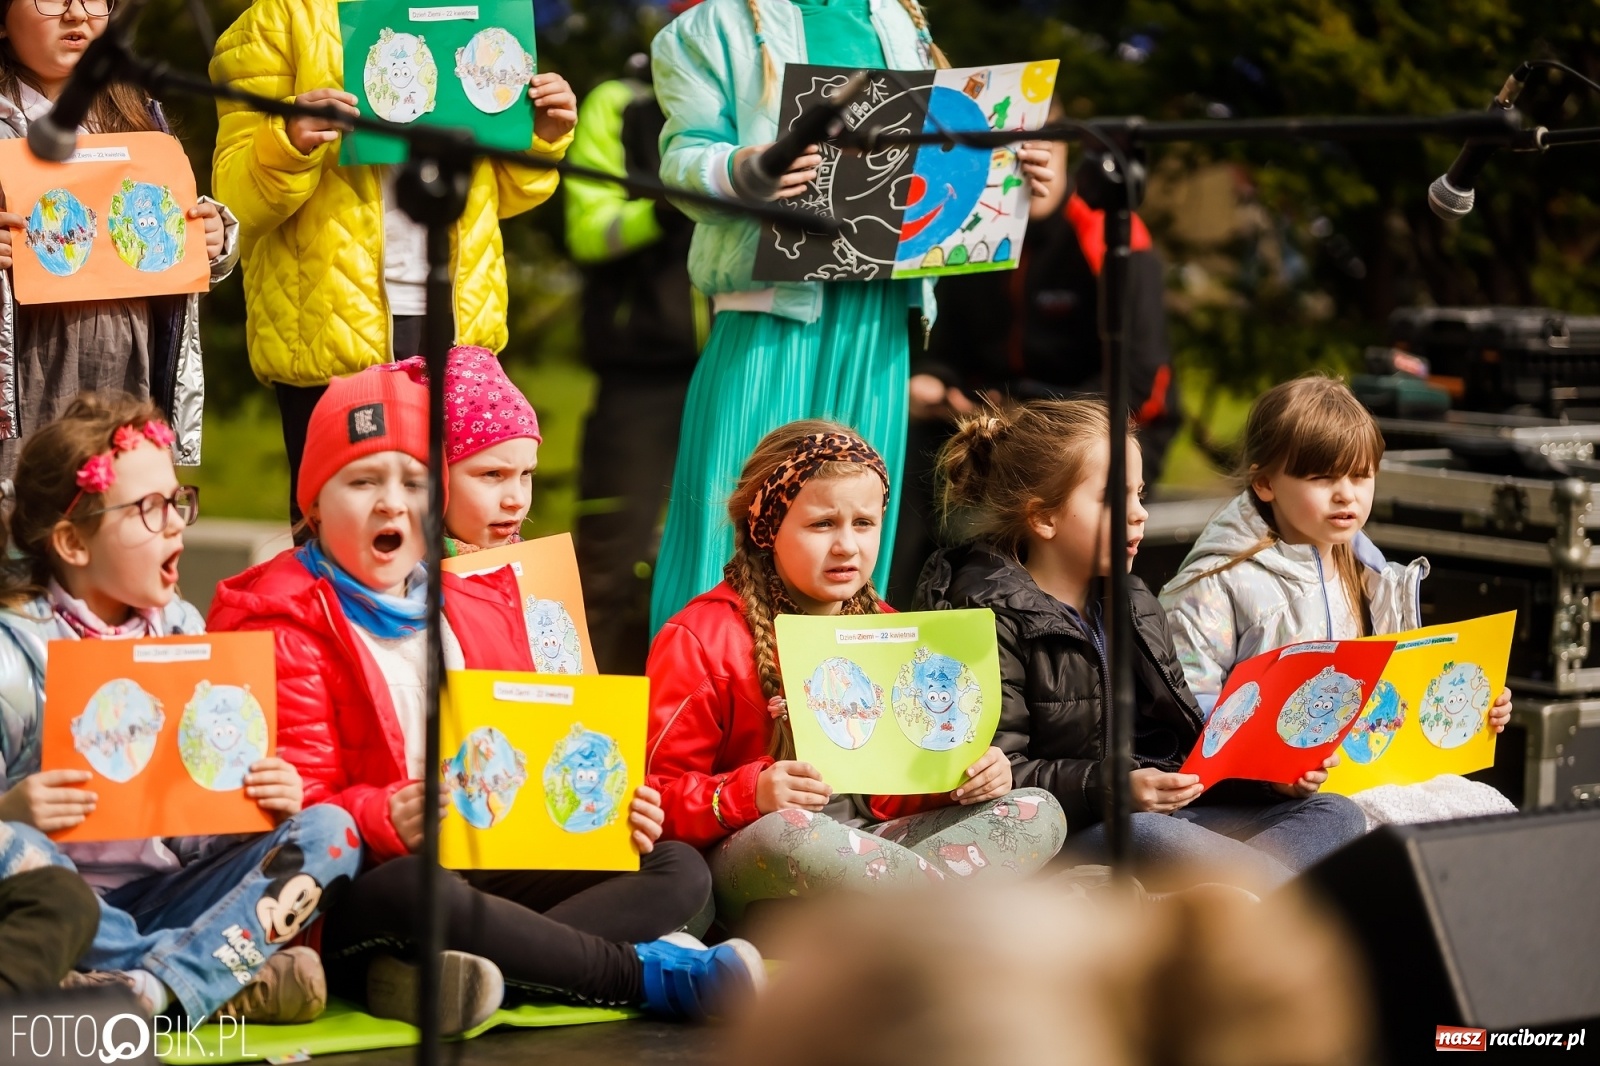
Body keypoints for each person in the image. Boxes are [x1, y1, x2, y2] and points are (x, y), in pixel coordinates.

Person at [207, 368, 763, 1033]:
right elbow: (292, 807)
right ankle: (638, 973)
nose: (392, 505)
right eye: (362, 482)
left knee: (674, 866)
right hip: (362, 880)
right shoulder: (275, 612)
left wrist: (606, 805)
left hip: (480, 854)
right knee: (415, 890)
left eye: (412, 483)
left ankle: (439, 973)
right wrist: (387, 815)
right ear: (313, 503)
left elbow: (521, 752)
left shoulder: (470, 593)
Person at [646, 0, 1057, 633]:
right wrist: (745, 168)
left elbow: (940, 155)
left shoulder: (899, 20)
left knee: (856, 530)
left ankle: (843, 704)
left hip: (879, 314)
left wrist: (1015, 174)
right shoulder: (711, 27)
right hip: (770, 309)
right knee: (733, 524)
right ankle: (705, 698)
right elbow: (682, 161)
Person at [0, 393, 359, 1022]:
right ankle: (202, 979)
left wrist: (256, 802)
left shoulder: (183, 630)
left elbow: (192, 822)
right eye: (147, 509)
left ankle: (151, 989)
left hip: (167, 897)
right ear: (71, 543)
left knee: (333, 833)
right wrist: (12, 810)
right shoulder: (15, 652)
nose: (174, 523)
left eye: (176, 501)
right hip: (50, 909)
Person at [917, 400, 1367, 892]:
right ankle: (1281, 904)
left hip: (1154, 814)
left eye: (1140, 494)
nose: (1140, 514)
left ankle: (1234, 900)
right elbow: (1002, 779)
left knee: (1335, 812)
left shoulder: (1133, 600)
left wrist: (1269, 780)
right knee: (1152, 835)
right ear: (1044, 519)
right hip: (1067, 833)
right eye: (1114, 498)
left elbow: (1182, 747)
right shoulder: (984, 613)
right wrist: (1116, 789)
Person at [647, 419, 1066, 925]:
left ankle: (904, 925)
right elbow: (654, 801)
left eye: (864, 524)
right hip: (764, 860)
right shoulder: (700, 637)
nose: (847, 545)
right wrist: (751, 792)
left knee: (1036, 810)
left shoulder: (889, 629)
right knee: (792, 831)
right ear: (767, 526)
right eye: (823, 524)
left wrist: (968, 777)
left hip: (876, 852)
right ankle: (965, 924)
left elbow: (897, 793)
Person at [209, 0, 576, 523]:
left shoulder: (472, 14)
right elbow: (234, 204)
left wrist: (539, 135)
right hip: (331, 334)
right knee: (347, 537)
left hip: (459, 327)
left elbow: (508, 194)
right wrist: (287, 141)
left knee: (464, 537)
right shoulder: (280, 17)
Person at [1159, 375, 1515, 824]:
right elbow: (1188, 718)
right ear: (1265, 484)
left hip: (1361, 782)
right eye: (1322, 477)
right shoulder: (1215, 583)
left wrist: (1469, 706)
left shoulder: (1371, 574)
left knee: (1481, 816)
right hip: (1253, 805)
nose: (1346, 493)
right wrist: (1274, 777)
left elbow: (1394, 699)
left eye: (1361, 475)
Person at [890, 101, 1177, 601]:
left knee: (998, 527)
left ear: (1061, 152)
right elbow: (951, 347)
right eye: (1002, 150)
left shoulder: (1107, 231)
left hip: (1097, 428)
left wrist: (1030, 414)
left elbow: (1142, 383)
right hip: (990, 426)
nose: (1022, 160)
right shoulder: (969, 234)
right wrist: (933, 380)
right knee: (903, 476)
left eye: (1036, 145)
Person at [0, 0, 239, 477]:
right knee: (26, 524)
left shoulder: (137, 117)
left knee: (116, 513)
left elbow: (160, 238)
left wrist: (211, 235)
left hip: (128, 366)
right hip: (27, 375)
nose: (76, 14)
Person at [566, 50, 703, 673]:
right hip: (640, 371)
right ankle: (579, 736)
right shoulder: (621, 100)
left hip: (745, 356)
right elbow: (589, 230)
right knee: (610, 560)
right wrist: (666, 207)